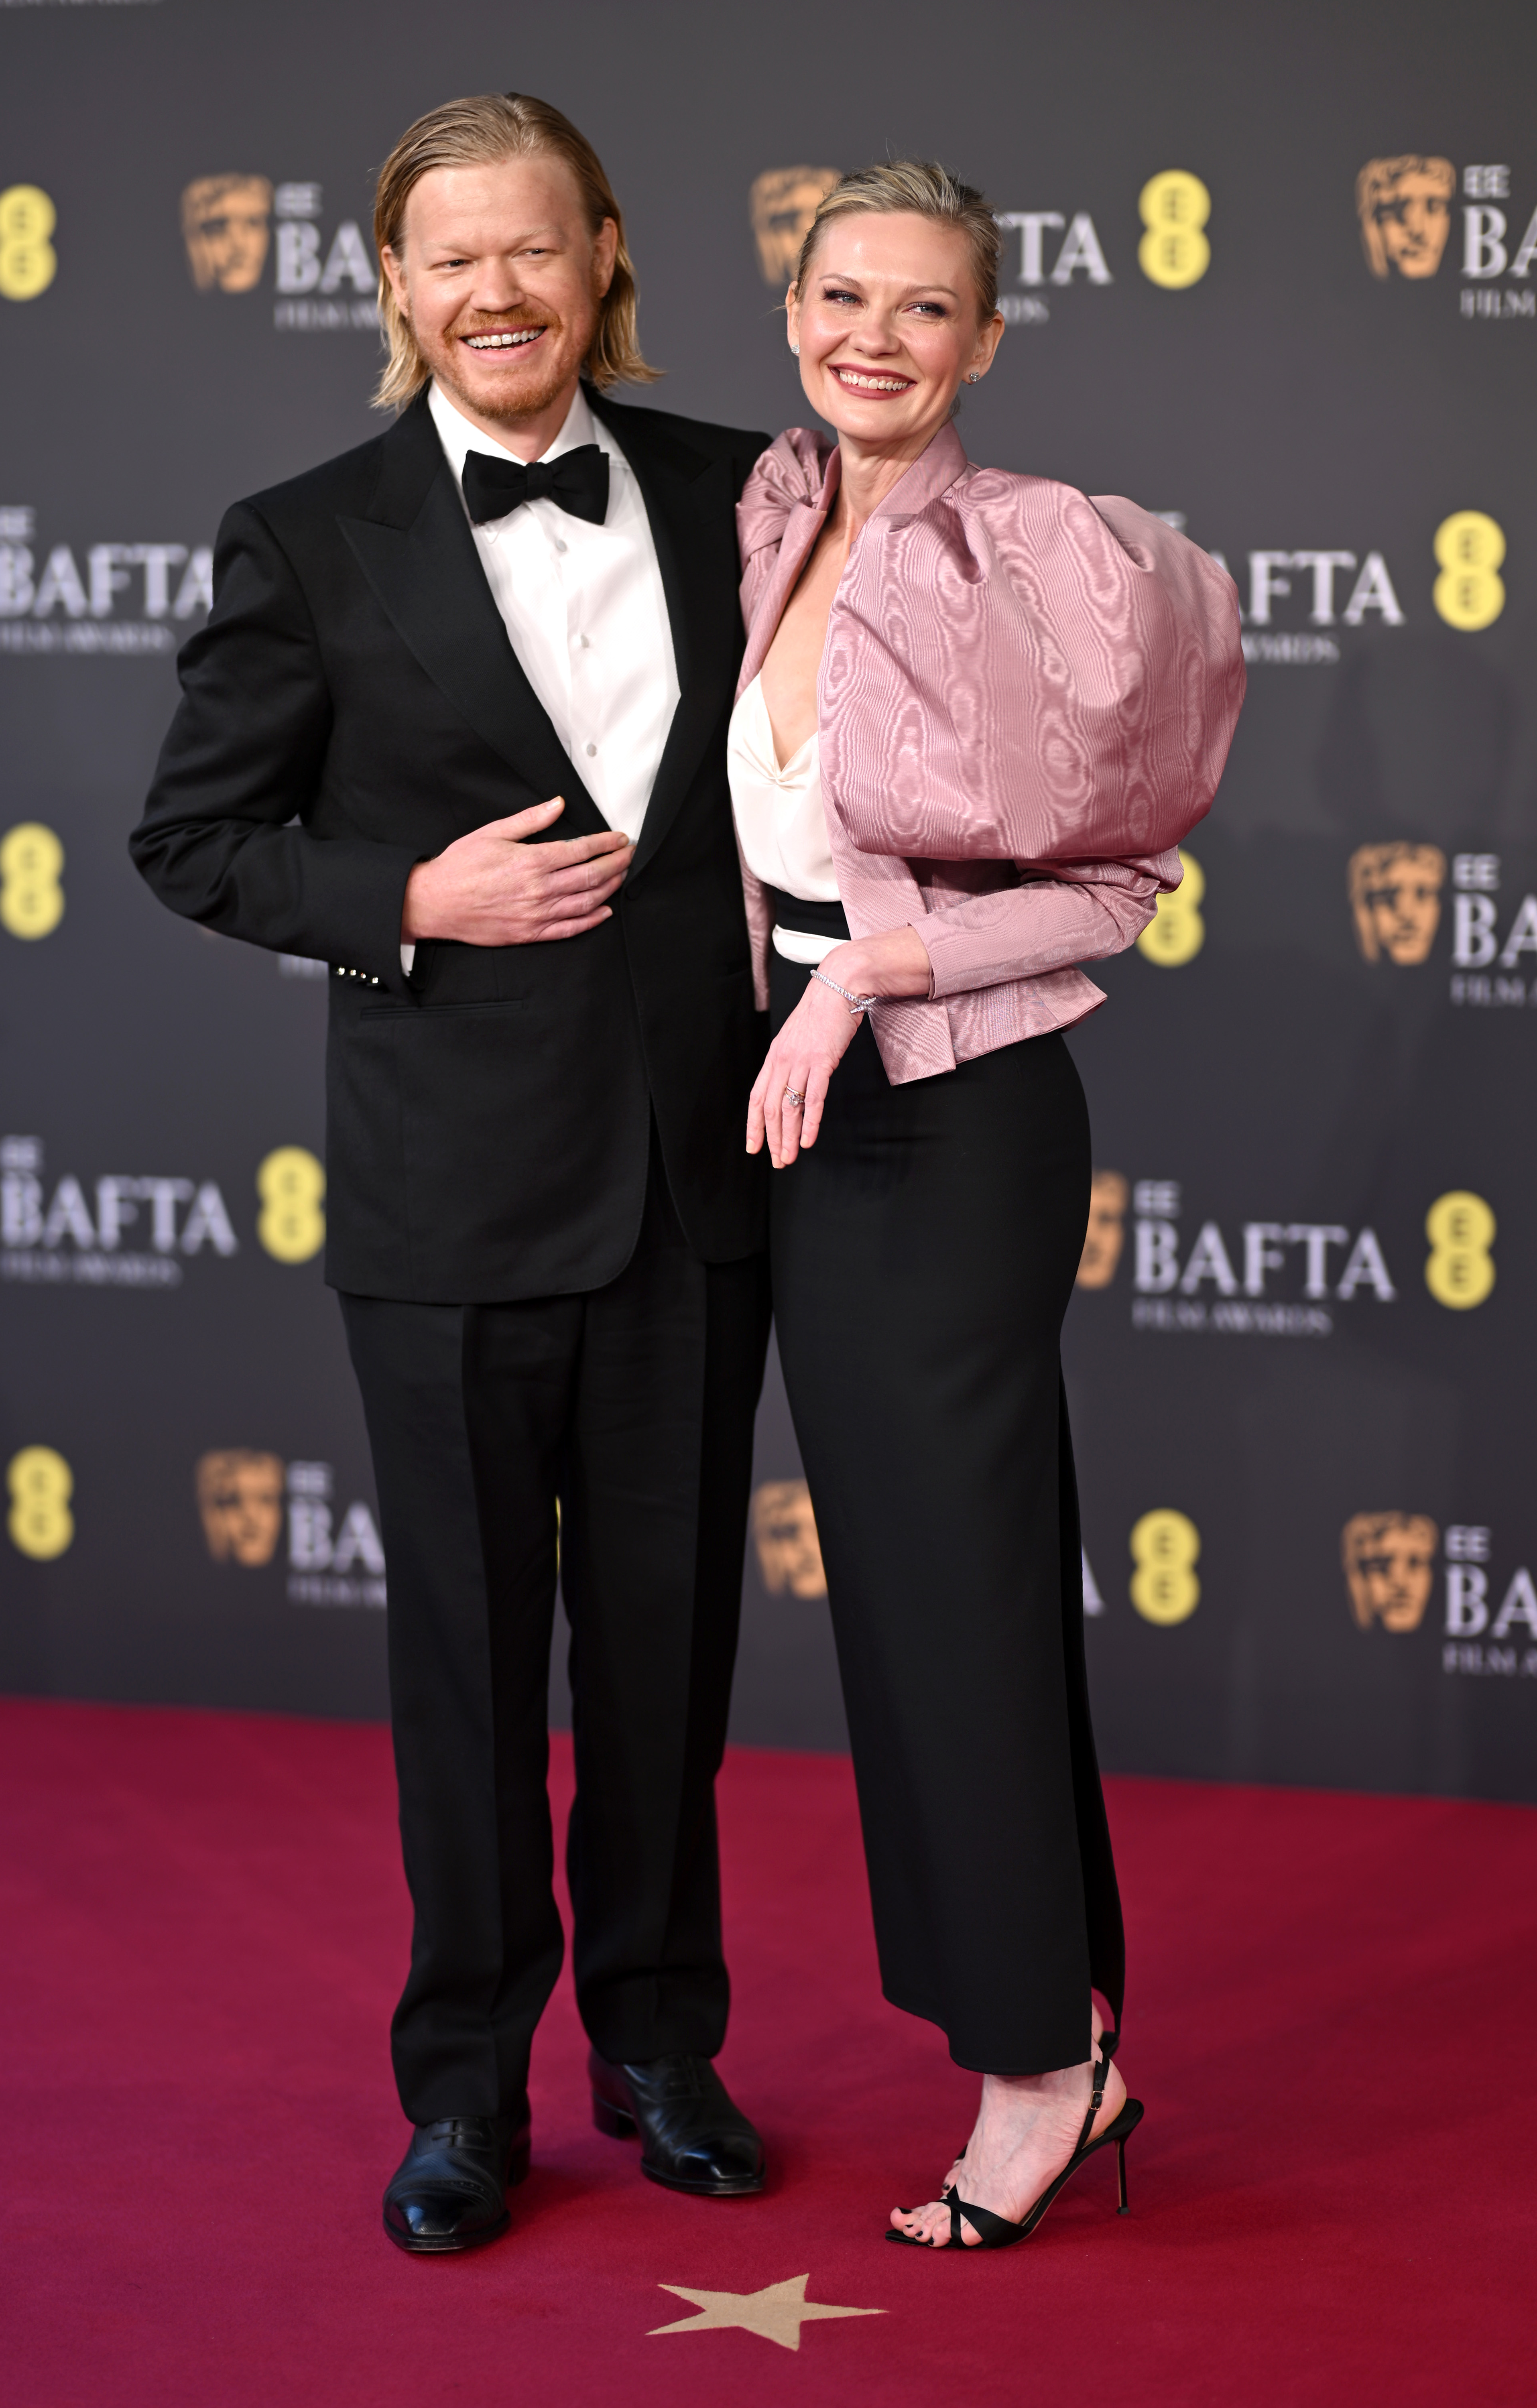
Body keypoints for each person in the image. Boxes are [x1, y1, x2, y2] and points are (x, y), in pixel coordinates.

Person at [131, 93, 773, 2253]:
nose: (495, 291)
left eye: (533, 248)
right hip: (447, 1199)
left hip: (700, 1184)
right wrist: (411, 893)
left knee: (672, 1662)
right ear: (397, 291)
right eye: (448, 259)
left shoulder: (746, 491)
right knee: (473, 1670)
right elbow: (193, 839)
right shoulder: (304, 535)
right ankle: (470, 2092)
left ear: (604, 255)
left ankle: (665, 2046)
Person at [730, 160, 1243, 2249]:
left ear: (988, 338)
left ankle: (1044, 2076)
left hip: (950, 1121)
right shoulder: (772, 512)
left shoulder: (1043, 556)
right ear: (794, 310)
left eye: (925, 308)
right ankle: (1051, 2032)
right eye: (844, 294)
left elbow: (1123, 878)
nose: (877, 337)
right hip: (790, 1114)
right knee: (921, 1601)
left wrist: (865, 972)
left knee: (960, 1600)